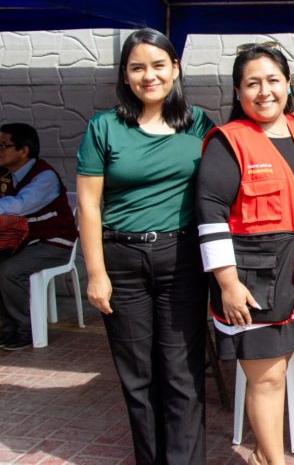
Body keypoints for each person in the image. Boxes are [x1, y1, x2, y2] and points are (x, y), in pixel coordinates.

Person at [77, 28, 212, 464]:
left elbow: (244, 150)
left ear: (175, 68)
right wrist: (95, 273)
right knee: (138, 376)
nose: (148, 76)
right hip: (122, 261)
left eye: (158, 65)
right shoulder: (104, 126)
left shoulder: (197, 122)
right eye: (137, 67)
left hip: (183, 259)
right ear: (125, 74)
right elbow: (89, 206)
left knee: (182, 373)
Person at [195, 43, 294, 465]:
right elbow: (210, 215)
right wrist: (227, 283)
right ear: (238, 92)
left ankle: (258, 452)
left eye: (273, 80)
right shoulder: (227, 143)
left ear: (289, 84)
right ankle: (275, 461)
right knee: (267, 379)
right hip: (252, 288)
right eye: (252, 83)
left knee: (277, 371)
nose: (264, 91)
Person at [0, 123, 78, 351]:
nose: (0, 150)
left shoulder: (44, 177)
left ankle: (25, 330)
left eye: (3, 145)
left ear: (23, 150)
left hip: (54, 243)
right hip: (23, 242)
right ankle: (7, 329)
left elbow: (20, 206)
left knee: (9, 272)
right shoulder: (7, 174)